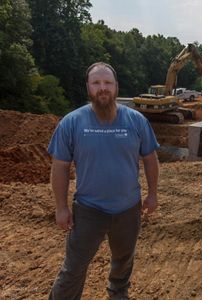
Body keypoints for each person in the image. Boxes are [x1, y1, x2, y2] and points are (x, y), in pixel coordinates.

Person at [47, 62, 159, 300]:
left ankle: (118, 294)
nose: (103, 88)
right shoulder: (71, 122)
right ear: (89, 88)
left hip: (129, 210)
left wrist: (152, 193)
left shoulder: (136, 121)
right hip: (88, 211)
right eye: (96, 83)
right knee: (73, 268)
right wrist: (61, 207)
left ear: (116, 87)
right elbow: (60, 167)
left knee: (123, 263)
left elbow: (150, 158)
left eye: (107, 83)